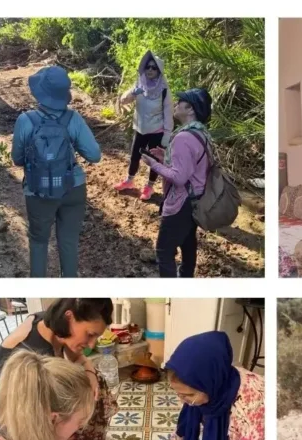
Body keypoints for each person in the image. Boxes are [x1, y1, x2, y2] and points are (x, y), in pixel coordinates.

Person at [0, 298, 122, 440]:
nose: (92, 344)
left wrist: (90, 372)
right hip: (14, 431)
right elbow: (40, 431)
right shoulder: (34, 359)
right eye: (90, 334)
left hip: (39, 416)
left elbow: (78, 357)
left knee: (95, 381)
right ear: (69, 317)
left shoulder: (52, 325)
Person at [11, 66, 101, 277]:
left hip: (38, 192)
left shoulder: (26, 120)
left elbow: (17, 159)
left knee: (38, 241)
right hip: (73, 188)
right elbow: (95, 155)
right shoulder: (73, 119)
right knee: (69, 241)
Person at [142, 88, 213, 278]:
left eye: (180, 102)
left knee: (164, 252)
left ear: (190, 109)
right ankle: (186, 279)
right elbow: (190, 166)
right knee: (188, 244)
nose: (175, 105)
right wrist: (165, 157)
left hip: (180, 203)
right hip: (196, 199)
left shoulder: (183, 137)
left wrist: (154, 164)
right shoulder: (201, 134)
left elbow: (179, 177)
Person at [115, 51, 173, 201]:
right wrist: (132, 94)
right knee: (135, 155)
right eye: (148, 67)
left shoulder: (164, 91)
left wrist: (166, 136)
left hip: (157, 130)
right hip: (140, 128)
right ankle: (129, 181)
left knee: (153, 160)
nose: (150, 70)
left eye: (154, 68)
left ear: (159, 70)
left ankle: (149, 186)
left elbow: (168, 114)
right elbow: (123, 100)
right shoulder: (139, 84)